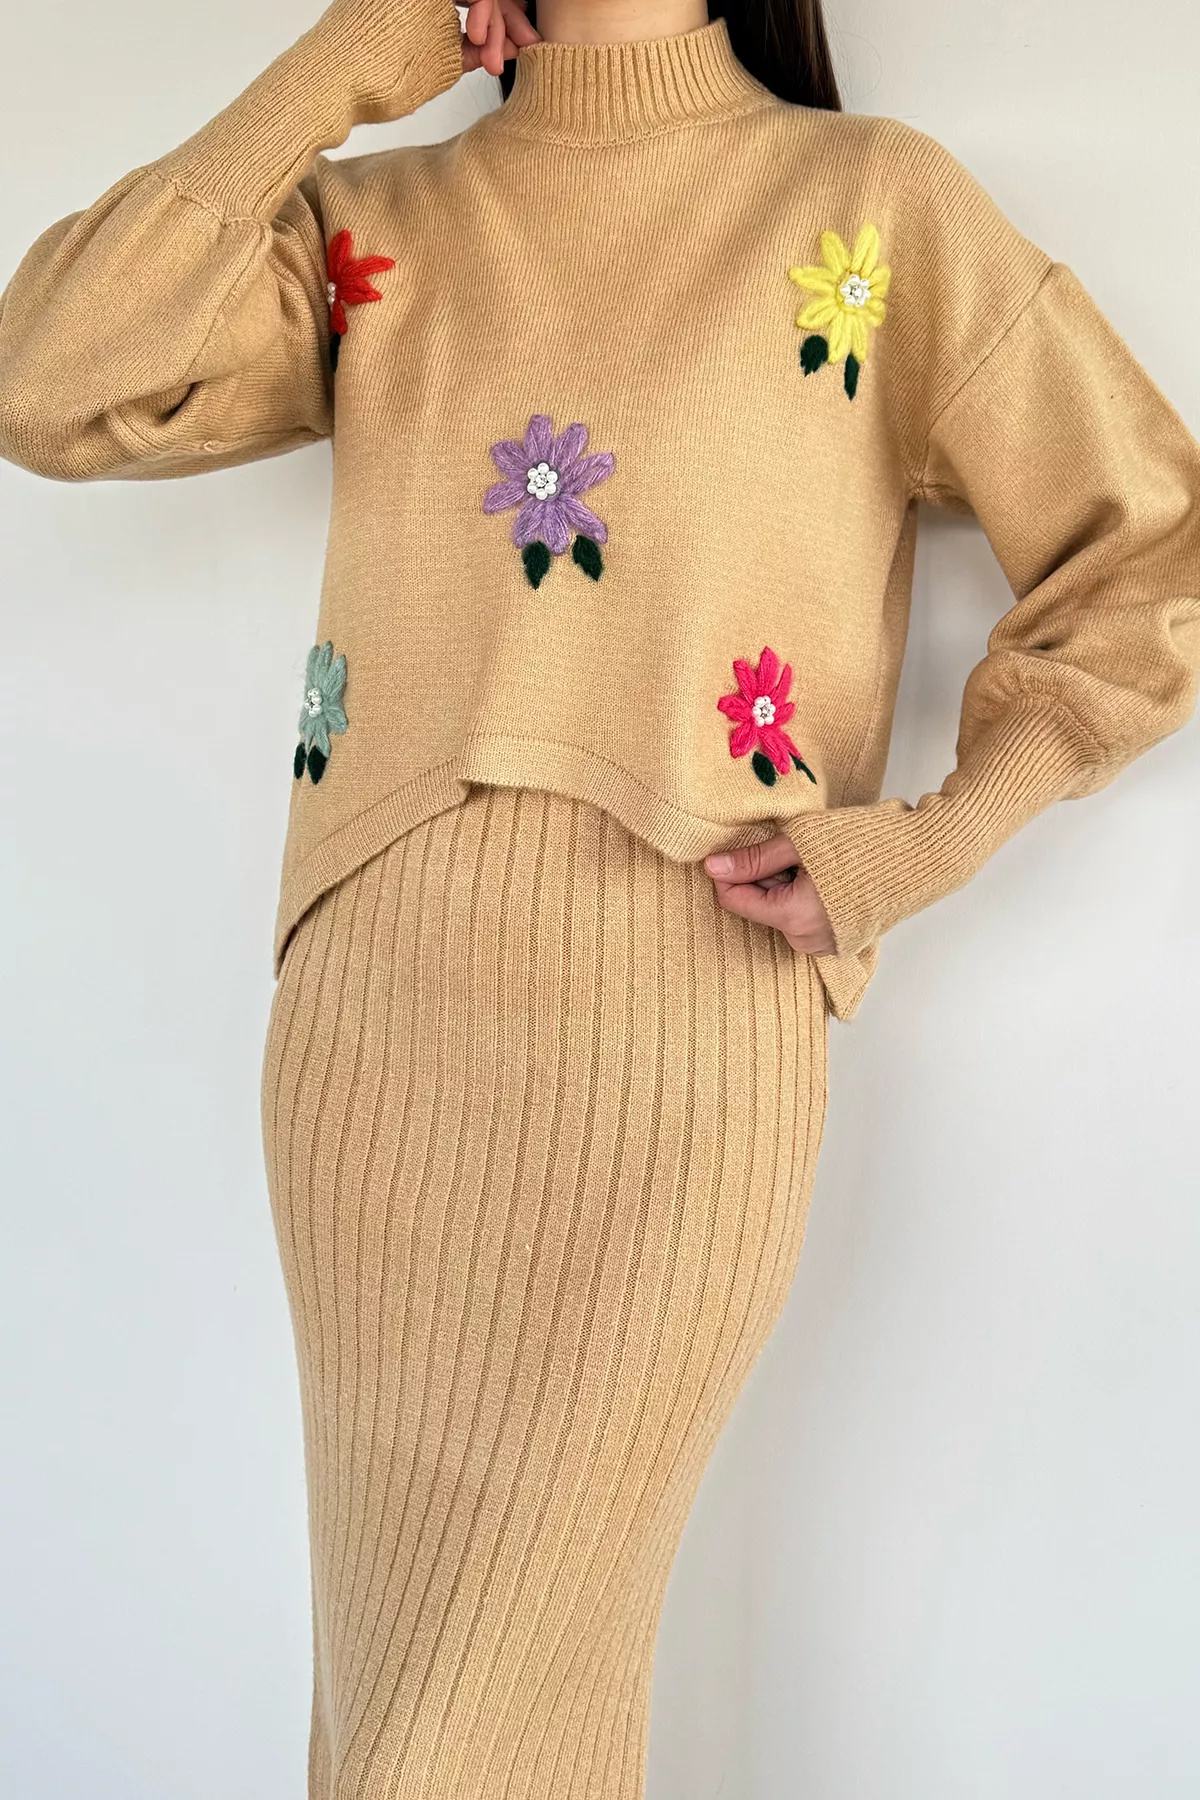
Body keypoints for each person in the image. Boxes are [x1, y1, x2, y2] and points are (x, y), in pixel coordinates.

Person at [2, 0, 1198, 1793]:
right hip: (377, 1027)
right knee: (405, 1710)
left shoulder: (870, 207)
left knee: (454, 1730)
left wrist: (926, 843)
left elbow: (1154, 549)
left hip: (689, 1020)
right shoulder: (380, 227)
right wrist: (347, 61)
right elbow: (46, 381)